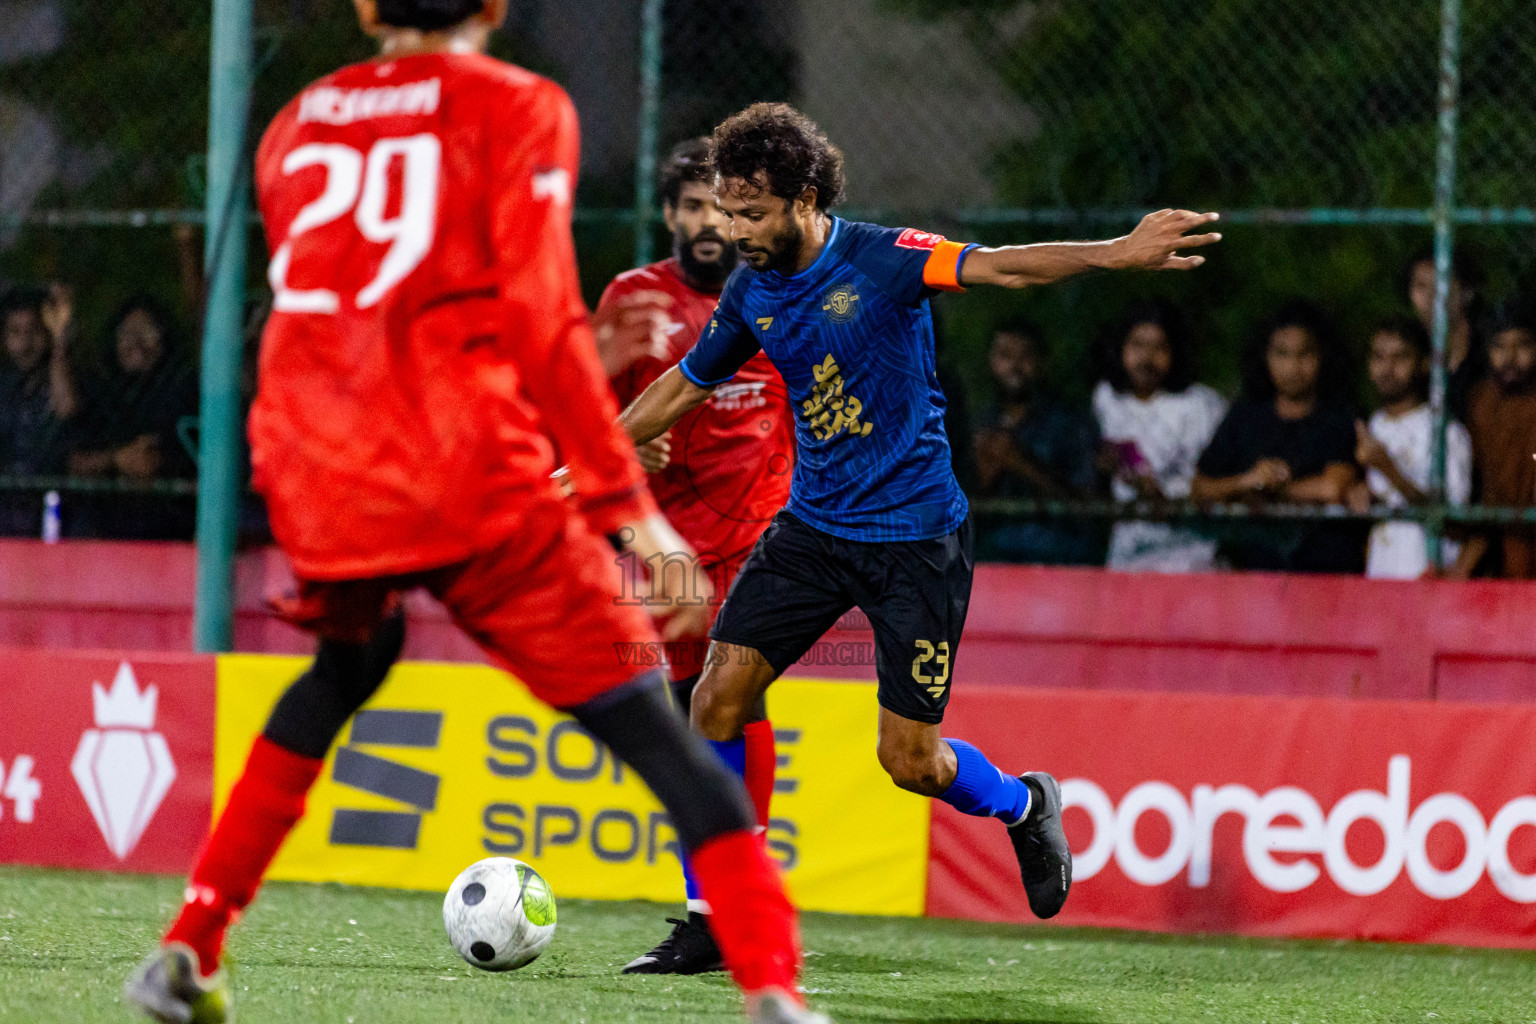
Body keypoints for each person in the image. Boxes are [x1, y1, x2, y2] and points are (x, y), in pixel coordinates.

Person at [124, 5, 816, 1024]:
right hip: (458, 466)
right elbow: (535, 321)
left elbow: (352, 303)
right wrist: (636, 516)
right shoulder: (518, 104)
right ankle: (775, 990)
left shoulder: (298, 120)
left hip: (317, 457)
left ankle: (190, 943)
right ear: (493, 8)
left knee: (351, 660)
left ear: (368, 8)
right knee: (656, 722)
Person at [618, 102, 1221, 942]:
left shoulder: (887, 257)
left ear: (801, 197)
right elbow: (686, 384)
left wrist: (1115, 253)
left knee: (909, 762)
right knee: (714, 699)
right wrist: (592, 452)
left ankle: (1022, 801)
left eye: (749, 212)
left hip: (915, 541)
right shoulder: (753, 289)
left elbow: (1002, 269)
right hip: (813, 532)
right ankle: (722, 916)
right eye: (725, 210)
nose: (734, 230)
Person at [596, 137, 795, 975]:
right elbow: (583, 404)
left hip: (767, 536)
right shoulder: (632, 299)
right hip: (669, 547)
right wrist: (618, 447)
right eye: (689, 207)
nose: (705, 223)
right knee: (698, 710)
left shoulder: (791, 288)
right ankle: (725, 905)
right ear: (669, 214)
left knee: (721, 698)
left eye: (720, 206)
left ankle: (720, 911)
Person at [1192, 302, 1365, 573]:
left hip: (1324, 573)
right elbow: (1201, 487)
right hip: (1252, 574)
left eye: (1304, 354)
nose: (1293, 367)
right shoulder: (1245, 415)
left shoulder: (1339, 417)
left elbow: (1333, 488)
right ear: (1264, 357)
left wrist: (1270, 488)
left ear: (1323, 357)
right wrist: (1246, 481)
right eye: (1281, 354)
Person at [1092, 301, 1226, 572]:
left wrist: (1162, 493)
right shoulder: (1106, 397)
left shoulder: (1201, 404)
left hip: (1190, 557)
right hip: (1126, 558)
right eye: (1137, 345)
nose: (1147, 358)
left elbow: (1219, 479)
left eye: (1159, 347)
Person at [1347, 316, 1472, 580]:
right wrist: (1364, 495)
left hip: (1427, 583)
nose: (1387, 368)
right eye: (1379, 357)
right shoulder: (1376, 424)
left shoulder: (1446, 433)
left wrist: (1389, 469)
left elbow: (1456, 526)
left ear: (1425, 364)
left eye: (1400, 357)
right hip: (1381, 579)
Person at [972, 321, 1105, 565]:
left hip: (1058, 560)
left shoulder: (1071, 422)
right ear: (991, 362)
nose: (1014, 366)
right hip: (992, 564)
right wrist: (985, 471)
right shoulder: (981, 422)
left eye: (1025, 356)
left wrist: (1019, 462)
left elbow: (1087, 506)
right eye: (1005, 355)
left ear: (1043, 362)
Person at [69, 296, 200, 540]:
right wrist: (116, 459)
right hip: (104, 536)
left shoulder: (187, 389)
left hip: (174, 532)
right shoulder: (99, 390)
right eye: (127, 333)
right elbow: (72, 462)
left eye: (147, 331)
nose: (136, 343)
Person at [1457, 302, 1536, 579]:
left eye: (1523, 345)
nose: (1510, 357)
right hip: (1488, 540)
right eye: (1499, 346)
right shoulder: (1479, 400)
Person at [0, 284, 79, 536]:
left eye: (34, 331)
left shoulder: (62, 374)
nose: (24, 342)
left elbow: (65, 407)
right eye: (15, 332)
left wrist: (59, 342)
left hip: (51, 509)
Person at [1405, 247, 1485, 419]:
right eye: (1420, 286)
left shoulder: (1490, 353)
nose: (1430, 295)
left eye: (1440, 283)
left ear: (1467, 292)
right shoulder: (1408, 353)